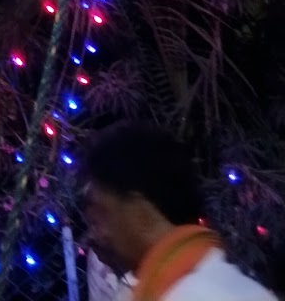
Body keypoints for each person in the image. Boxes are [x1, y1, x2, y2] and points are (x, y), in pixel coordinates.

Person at [81, 123, 274, 299]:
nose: (97, 236)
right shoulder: (203, 280)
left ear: (140, 214)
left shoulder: (195, 294)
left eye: (103, 216)